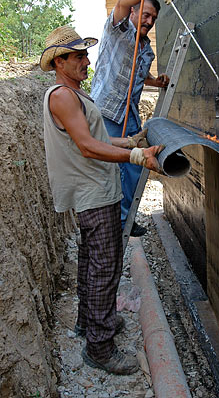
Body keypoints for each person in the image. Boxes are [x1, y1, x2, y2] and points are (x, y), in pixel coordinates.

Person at [40, 25, 164, 375]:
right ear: (59, 62)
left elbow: (99, 138)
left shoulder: (75, 95)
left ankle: (89, 323)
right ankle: (100, 347)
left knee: (92, 263)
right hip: (93, 195)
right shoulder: (63, 96)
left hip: (94, 192)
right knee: (104, 269)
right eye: (78, 56)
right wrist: (137, 158)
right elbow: (88, 147)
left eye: (85, 54)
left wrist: (131, 142)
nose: (86, 60)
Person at [90, 0, 170, 237]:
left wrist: (156, 82)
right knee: (109, 166)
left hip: (130, 113)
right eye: (145, 14)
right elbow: (123, 2)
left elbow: (139, 75)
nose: (148, 21)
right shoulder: (118, 30)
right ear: (134, 11)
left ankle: (125, 218)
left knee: (135, 165)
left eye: (153, 19)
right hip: (108, 110)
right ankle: (106, 222)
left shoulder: (147, 49)